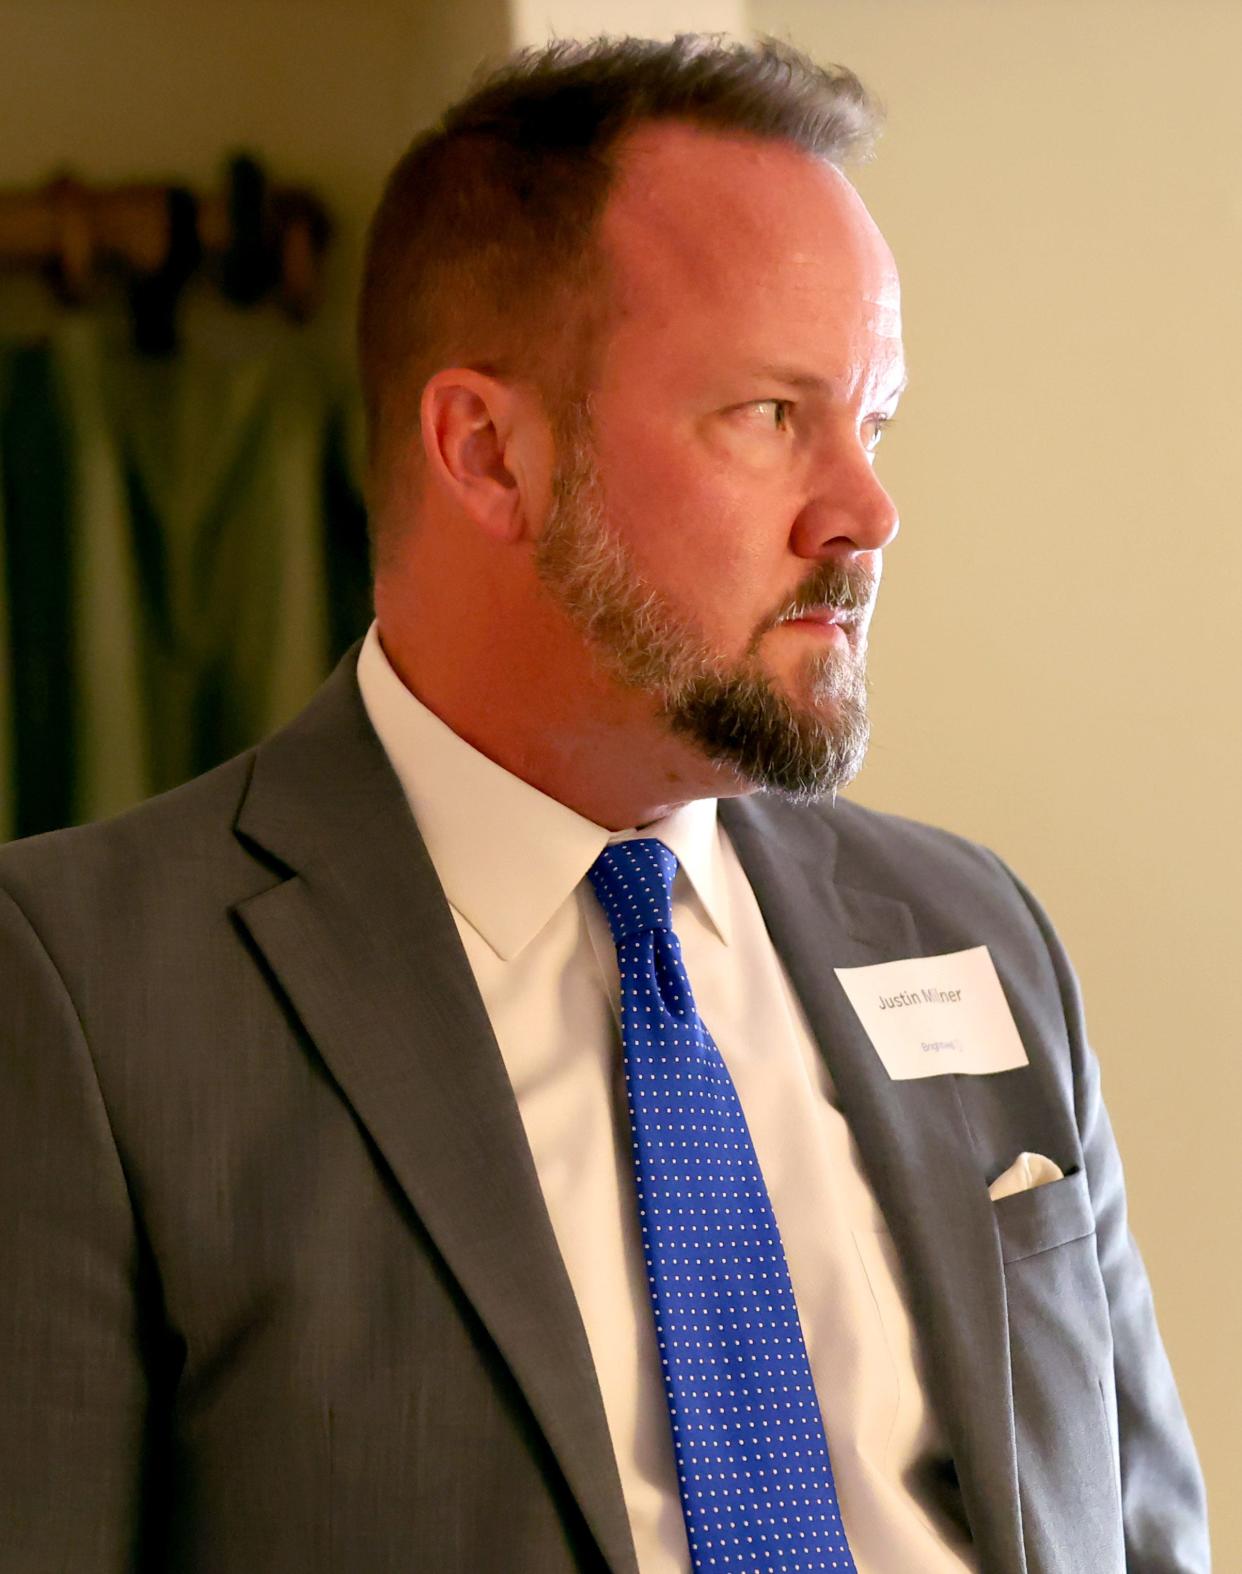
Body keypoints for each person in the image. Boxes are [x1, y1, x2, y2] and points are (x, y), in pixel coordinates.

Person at [0, 33, 1209, 1574]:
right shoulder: (79, 993)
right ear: (488, 452)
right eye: (770, 415)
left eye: (873, 420)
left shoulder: (977, 930)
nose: (866, 511)